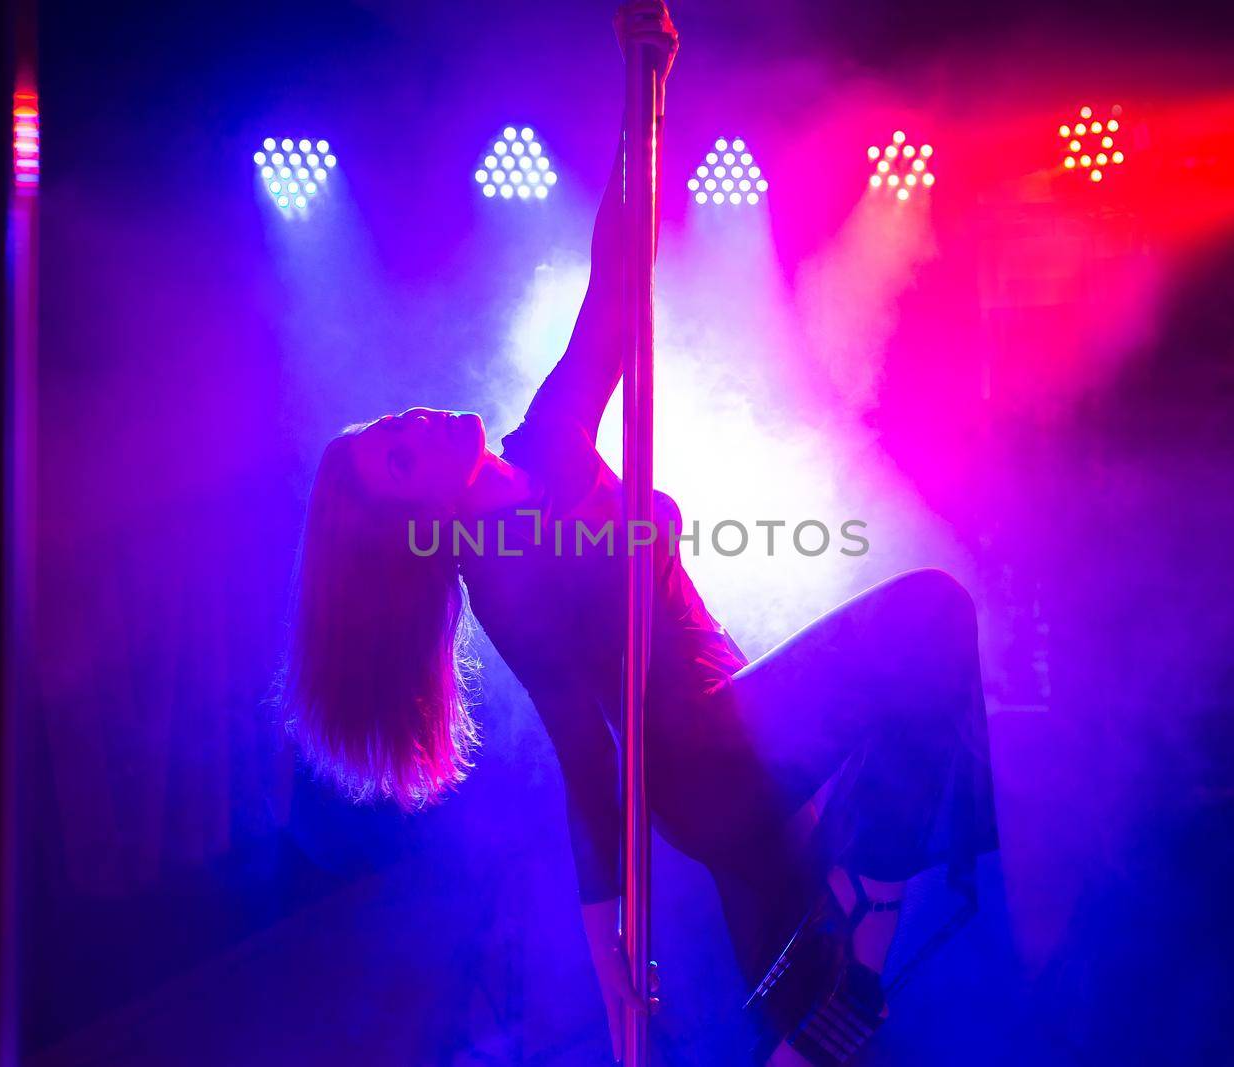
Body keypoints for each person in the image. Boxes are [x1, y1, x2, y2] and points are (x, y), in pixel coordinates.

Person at [278, 3, 996, 1062]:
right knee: (931, 612)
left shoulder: (545, 443)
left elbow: (617, 290)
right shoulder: (502, 574)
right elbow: (588, 770)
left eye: (393, 421)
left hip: (733, 753)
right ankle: (868, 900)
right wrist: (619, 996)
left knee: (822, 1037)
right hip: (713, 765)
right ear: (409, 519)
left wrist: (644, 94)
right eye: (397, 453)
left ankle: (843, 950)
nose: (416, 420)